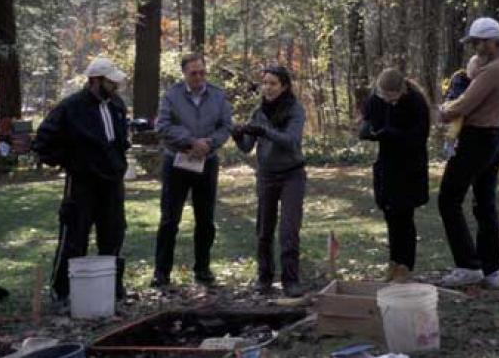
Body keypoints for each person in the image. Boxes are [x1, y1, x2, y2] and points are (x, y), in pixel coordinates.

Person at [33, 57, 131, 306]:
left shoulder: (116, 105)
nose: (115, 88)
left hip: (112, 183)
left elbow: (119, 140)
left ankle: (112, 286)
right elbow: (44, 141)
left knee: (113, 234)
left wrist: (118, 162)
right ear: (95, 81)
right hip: (82, 184)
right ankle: (62, 290)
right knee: (74, 236)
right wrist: (71, 162)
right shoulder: (70, 107)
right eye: (110, 83)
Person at [437, 17, 499, 288]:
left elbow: (465, 104)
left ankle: (468, 266)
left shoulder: (495, 70)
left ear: (492, 42)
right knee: (484, 204)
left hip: (477, 139)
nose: (474, 48)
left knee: (448, 200)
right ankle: (490, 269)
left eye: (478, 43)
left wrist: (443, 111)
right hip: (494, 137)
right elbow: (472, 67)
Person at [151, 53, 232, 288]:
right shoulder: (172, 95)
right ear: (184, 74)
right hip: (177, 162)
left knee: (205, 220)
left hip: (207, 162)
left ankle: (203, 269)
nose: (198, 77)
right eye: (193, 73)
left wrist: (209, 144)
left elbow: (226, 125)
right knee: (169, 219)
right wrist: (190, 141)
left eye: (202, 72)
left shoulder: (217, 95)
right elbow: (162, 126)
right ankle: (161, 272)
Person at [233, 65, 307, 298]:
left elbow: (291, 140)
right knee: (264, 229)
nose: (267, 88)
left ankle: (290, 280)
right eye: (264, 83)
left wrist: (265, 131)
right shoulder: (259, 111)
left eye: (273, 83)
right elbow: (247, 147)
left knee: (288, 229)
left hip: (292, 175)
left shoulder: (295, 109)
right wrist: (237, 135)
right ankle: (264, 277)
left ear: (284, 86)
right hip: (266, 175)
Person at [359, 68, 431, 283]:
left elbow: (419, 137)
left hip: (409, 167)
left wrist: (393, 134)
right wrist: (367, 130)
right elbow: (368, 118)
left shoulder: (416, 102)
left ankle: (405, 266)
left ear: (402, 90)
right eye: (384, 95)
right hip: (386, 165)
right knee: (390, 215)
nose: (388, 100)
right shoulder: (376, 99)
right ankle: (393, 262)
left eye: (393, 96)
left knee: (404, 217)